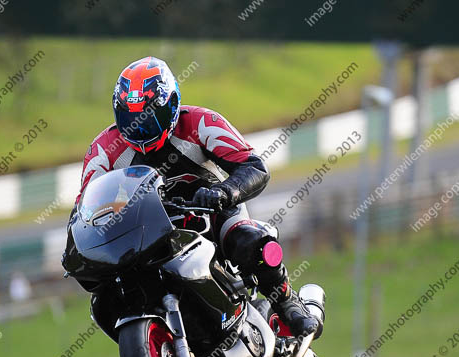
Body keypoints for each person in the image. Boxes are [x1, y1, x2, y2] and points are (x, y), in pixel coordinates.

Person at [62, 57, 320, 337]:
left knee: (251, 240)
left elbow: (254, 167)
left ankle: (286, 300)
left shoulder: (201, 122)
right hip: (146, 230)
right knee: (106, 296)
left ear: (171, 104)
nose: (139, 126)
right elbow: (85, 208)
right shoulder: (104, 150)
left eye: (148, 116)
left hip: (211, 211)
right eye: (130, 116)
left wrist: (224, 192)